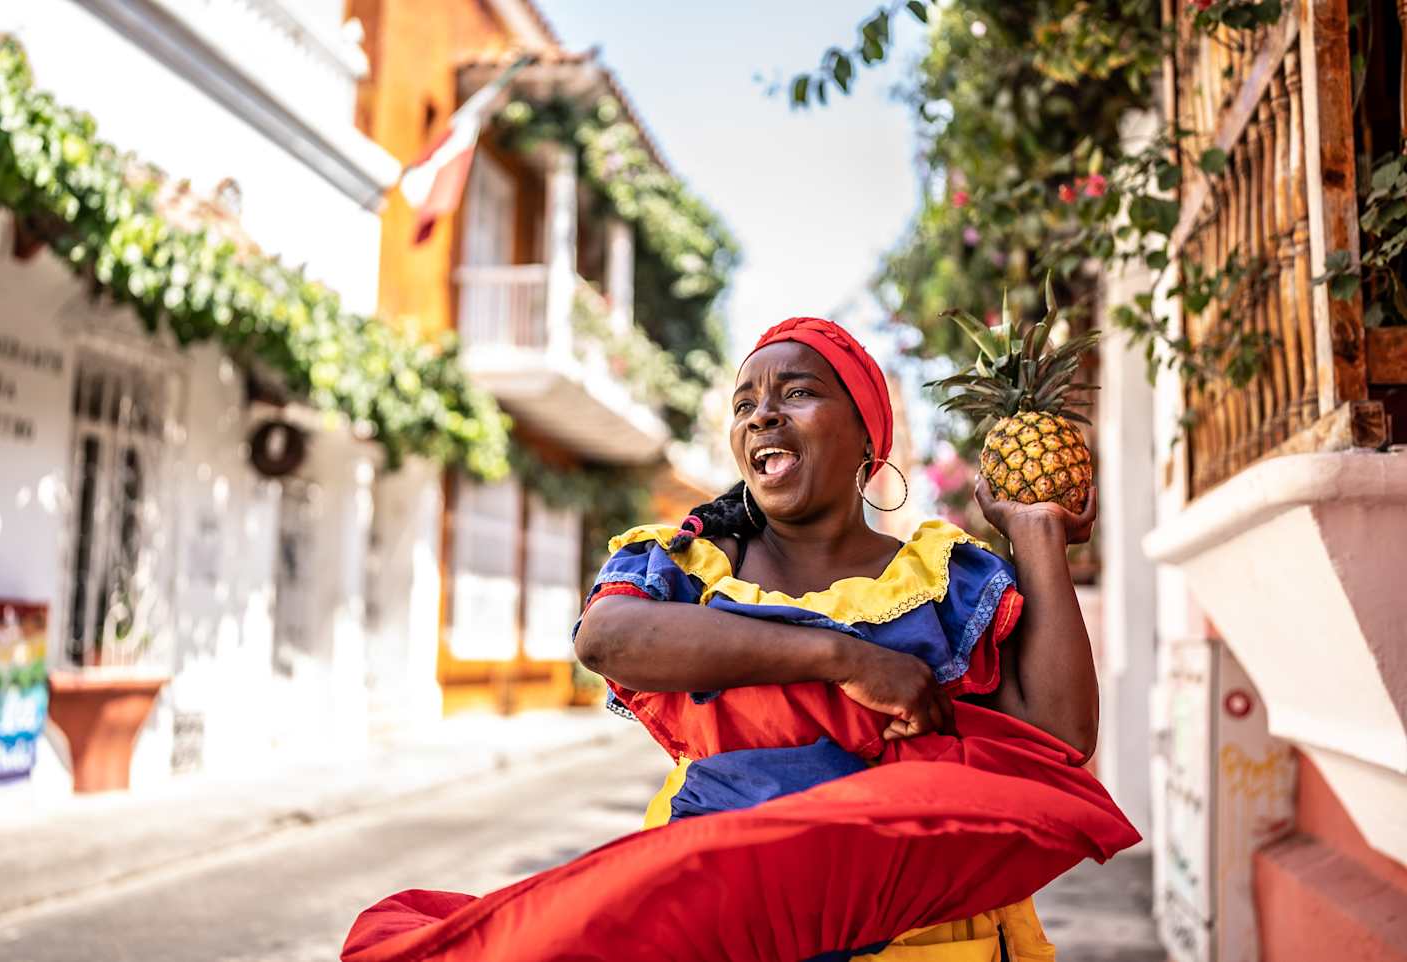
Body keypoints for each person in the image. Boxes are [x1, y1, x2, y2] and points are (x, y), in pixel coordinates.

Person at [341, 318, 1138, 962]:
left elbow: (1060, 743)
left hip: (928, 937)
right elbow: (607, 638)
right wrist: (845, 657)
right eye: (745, 400)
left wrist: (1037, 537)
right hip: (720, 927)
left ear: (869, 439)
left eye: (797, 392)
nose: (762, 413)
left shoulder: (945, 579)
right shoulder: (684, 561)